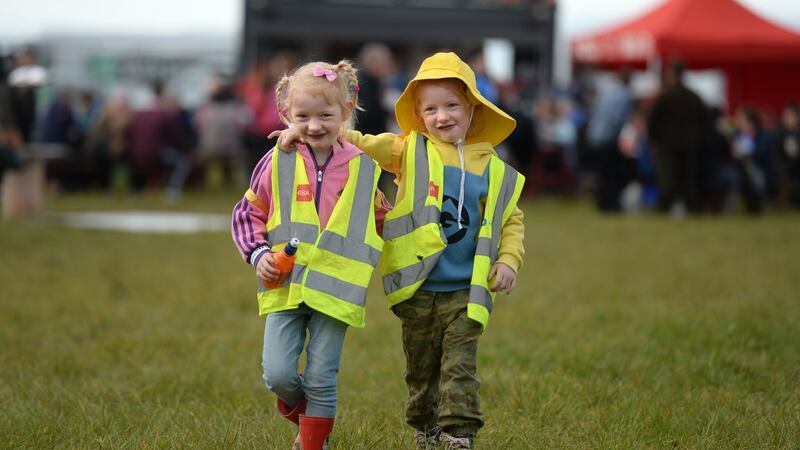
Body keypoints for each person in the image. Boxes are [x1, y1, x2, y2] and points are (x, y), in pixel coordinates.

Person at [274, 51, 525, 450]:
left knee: (460, 365)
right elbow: (355, 141)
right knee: (421, 368)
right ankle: (424, 428)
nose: (442, 116)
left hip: (468, 289)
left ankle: (459, 433)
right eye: (430, 109)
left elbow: (510, 219)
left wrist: (508, 260)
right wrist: (302, 133)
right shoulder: (409, 150)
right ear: (419, 115)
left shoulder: (493, 167)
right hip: (417, 287)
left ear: (472, 109)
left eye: (451, 106)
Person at [231, 60, 391, 450]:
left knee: (322, 378)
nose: (315, 125)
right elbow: (247, 213)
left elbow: (384, 219)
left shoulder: (365, 169)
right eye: (303, 116)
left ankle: (313, 441)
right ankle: (309, 415)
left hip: (337, 292)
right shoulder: (276, 161)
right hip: (285, 285)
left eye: (326, 115)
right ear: (286, 115)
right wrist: (258, 254)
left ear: (346, 113)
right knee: (279, 374)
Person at [647, 60, 707, 217]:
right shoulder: (694, 97)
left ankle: (666, 208)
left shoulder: (664, 97)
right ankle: (691, 208)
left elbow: (653, 122)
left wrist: (653, 140)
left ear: (672, 74)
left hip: (668, 145)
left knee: (668, 177)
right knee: (688, 178)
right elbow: (705, 122)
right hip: (690, 144)